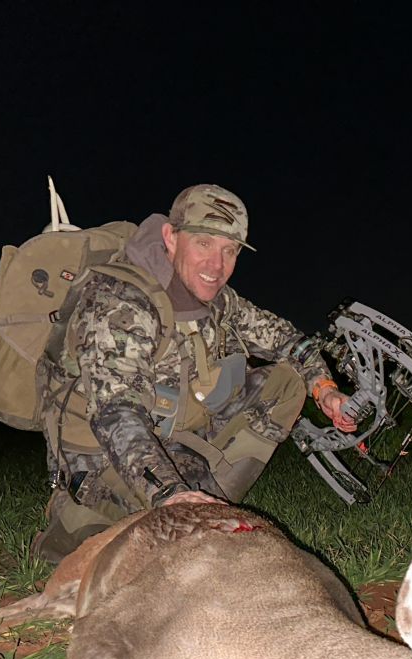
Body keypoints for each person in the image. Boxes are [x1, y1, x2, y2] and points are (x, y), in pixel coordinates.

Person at [31, 184, 357, 562]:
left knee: (288, 382)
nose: (216, 266)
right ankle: (73, 517)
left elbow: (286, 340)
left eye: (229, 250)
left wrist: (325, 390)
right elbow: (115, 414)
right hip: (100, 457)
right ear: (171, 237)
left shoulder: (217, 300)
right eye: (204, 243)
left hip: (171, 437)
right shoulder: (120, 302)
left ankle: (204, 498)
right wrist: (171, 493)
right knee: (169, 546)